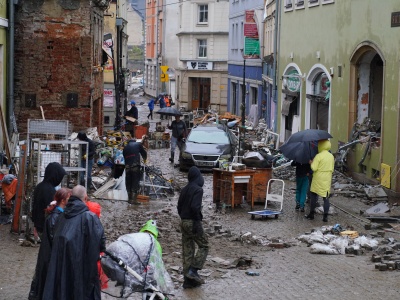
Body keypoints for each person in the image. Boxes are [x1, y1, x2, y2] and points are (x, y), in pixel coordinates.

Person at [43, 185, 106, 300]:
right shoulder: (90, 218)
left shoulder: (60, 216)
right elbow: (101, 244)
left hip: (61, 267)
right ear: (85, 198)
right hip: (82, 268)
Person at [29, 188, 72, 300]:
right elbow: (55, 239)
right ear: (63, 201)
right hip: (50, 257)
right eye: (69, 198)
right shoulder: (56, 217)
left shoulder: (55, 215)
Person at [177, 166, 209, 289]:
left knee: (187, 250)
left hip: (183, 222)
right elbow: (196, 207)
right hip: (192, 222)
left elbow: (179, 207)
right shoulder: (198, 190)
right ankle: (193, 270)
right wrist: (196, 222)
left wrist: (183, 218)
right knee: (204, 245)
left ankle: (188, 281)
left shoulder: (184, 189)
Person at [31, 162, 67, 238]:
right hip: (46, 226)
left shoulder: (40, 186)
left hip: (39, 224)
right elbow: (54, 210)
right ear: (55, 176)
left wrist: (35, 224)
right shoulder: (49, 190)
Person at [305, 139, 335, 222]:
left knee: (314, 196)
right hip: (327, 178)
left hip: (318, 178)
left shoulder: (318, 156)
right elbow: (332, 168)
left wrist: (311, 162)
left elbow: (314, 168)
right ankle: (325, 217)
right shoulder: (331, 156)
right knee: (326, 197)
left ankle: (311, 214)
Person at [123, 139, 147, 205]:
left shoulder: (125, 147)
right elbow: (144, 153)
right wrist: (145, 160)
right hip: (135, 166)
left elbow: (124, 157)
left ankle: (129, 199)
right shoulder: (138, 144)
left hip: (127, 167)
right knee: (135, 182)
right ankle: (134, 200)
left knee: (129, 182)